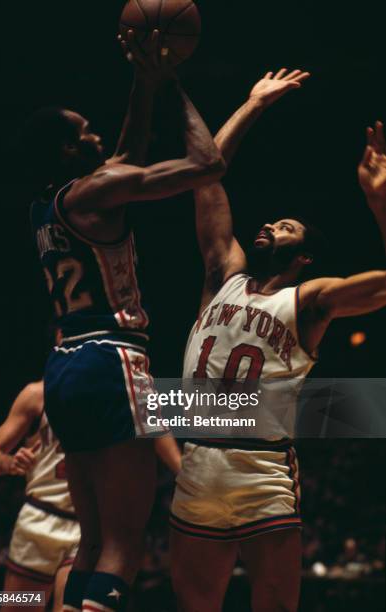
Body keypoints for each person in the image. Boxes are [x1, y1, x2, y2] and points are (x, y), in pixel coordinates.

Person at [170, 67, 386, 612]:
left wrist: (381, 204)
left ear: (305, 256)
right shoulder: (225, 272)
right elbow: (205, 175)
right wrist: (253, 104)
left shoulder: (310, 300)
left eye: (287, 227)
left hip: (261, 469)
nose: (272, 225)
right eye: (273, 222)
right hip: (197, 462)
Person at [26, 30, 224, 612]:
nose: (97, 136)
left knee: (90, 540)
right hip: (112, 357)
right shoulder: (96, 191)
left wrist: (145, 79)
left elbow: (125, 155)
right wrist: (175, 86)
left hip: (63, 365)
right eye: (84, 131)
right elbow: (207, 164)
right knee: (124, 541)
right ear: (67, 151)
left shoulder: (50, 206)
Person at [0, 381, 79, 612]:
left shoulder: (124, 386)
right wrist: (10, 462)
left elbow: (159, 432)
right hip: (40, 520)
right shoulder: (37, 393)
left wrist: (178, 469)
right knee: (16, 605)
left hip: (89, 526)